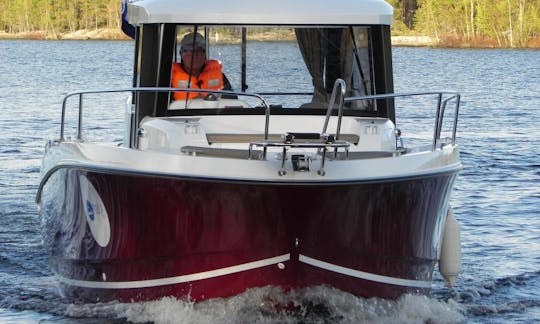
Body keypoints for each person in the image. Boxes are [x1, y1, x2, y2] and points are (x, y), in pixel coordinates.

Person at [171, 32, 232, 101]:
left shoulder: (220, 76)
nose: (195, 56)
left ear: (205, 54)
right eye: (190, 51)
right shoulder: (170, 79)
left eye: (199, 51)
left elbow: (232, 102)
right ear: (181, 54)